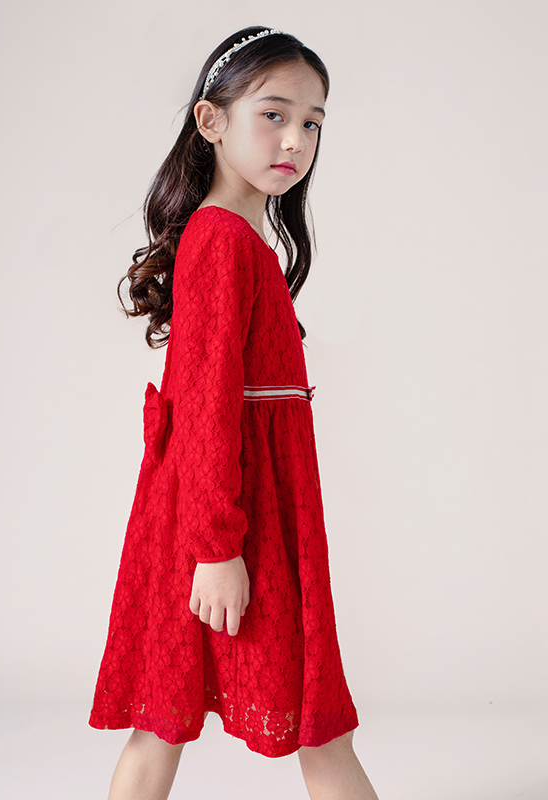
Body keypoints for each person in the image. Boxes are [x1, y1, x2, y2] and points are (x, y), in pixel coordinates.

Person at [89, 26, 380, 800]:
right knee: (297, 723)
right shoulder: (221, 240)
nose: (296, 139)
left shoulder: (244, 238)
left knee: (174, 720)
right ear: (212, 121)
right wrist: (217, 549)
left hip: (248, 507)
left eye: (312, 122)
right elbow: (207, 403)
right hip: (225, 516)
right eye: (274, 114)